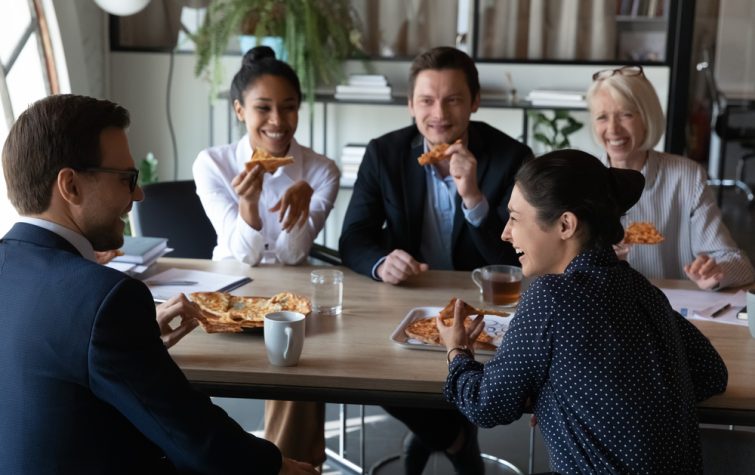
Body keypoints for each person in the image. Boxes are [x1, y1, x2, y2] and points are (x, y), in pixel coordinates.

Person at [0, 94, 316, 474]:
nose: (139, 194)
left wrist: (137, 341)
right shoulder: (105, 300)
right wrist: (277, 466)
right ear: (70, 186)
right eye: (126, 179)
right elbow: (197, 443)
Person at [438, 149, 728, 473]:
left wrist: (457, 350)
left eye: (516, 218)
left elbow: (485, 405)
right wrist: (569, 394)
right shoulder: (643, 290)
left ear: (565, 224)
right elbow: (711, 373)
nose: (506, 233)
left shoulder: (551, 296)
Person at [339, 46, 532, 474]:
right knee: (367, 367)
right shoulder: (383, 154)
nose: (438, 113)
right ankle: (453, 438)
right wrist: (379, 262)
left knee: (486, 370)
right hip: (408, 297)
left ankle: (436, 434)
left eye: (453, 99)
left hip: (484, 303)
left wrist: (473, 196)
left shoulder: (511, 158)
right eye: (426, 100)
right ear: (410, 104)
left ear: (475, 101)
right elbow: (352, 237)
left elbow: (518, 258)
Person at [193, 46, 338, 468]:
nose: (278, 122)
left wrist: (301, 207)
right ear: (240, 110)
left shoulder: (321, 169)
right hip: (228, 297)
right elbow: (242, 258)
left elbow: (293, 257)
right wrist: (250, 208)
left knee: (298, 370)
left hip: (290, 298)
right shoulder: (213, 164)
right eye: (264, 108)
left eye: (289, 108)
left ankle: (291, 465)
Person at [586, 65, 755, 290]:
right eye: (602, 117)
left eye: (626, 114)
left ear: (647, 117)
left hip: (671, 315)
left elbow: (739, 264)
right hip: (602, 313)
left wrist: (717, 271)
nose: (613, 129)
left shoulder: (687, 177)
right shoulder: (583, 178)